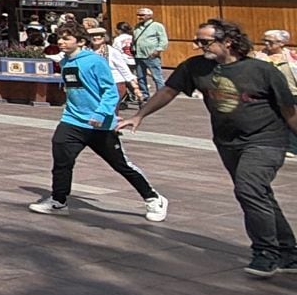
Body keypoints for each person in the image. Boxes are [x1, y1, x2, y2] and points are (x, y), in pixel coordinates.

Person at [122, 19, 297, 278]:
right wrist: (140, 115)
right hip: (227, 142)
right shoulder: (197, 67)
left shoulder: (262, 70)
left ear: (228, 42)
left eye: (205, 42)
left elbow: (288, 111)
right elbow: (168, 91)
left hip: (265, 140)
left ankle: (265, 253)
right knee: (259, 194)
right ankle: (289, 254)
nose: (198, 46)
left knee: (249, 189)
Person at [28, 24, 167, 219]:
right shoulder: (66, 62)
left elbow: (110, 91)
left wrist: (101, 114)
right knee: (62, 161)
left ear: (81, 41)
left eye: (67, 38)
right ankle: (58, 201)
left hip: (99, 125)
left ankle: (153, 198)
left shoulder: (95, 61)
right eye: (59, 38)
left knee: (121, 164)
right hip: (72, 121)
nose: (61, 42)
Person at [256, 29, 297, 160]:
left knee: (292, 120)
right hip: (269, 94)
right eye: (264, 41)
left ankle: (293, 147)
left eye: (270, 41)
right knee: (273, 120)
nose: (266, 44)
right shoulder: (258, 57)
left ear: (281, 43)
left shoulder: (292, 56)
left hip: (292, 92)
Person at [130, 8, 169, 100]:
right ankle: (144, 94)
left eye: (142, 15)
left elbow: (163, 40)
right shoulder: (137, 26)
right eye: (138, 15)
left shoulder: (157, 26)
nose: (140, 17)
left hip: (151, 55)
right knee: (140, 76)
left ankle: (161, 95)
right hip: (138, 55)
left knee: (156, 76)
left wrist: (158, 50)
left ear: (149, 16)